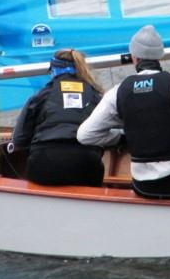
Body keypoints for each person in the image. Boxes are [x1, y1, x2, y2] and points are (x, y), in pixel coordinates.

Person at [77, 25, 170, 199]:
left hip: (143, 186)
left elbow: (85, 135)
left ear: (134, 57)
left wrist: (121, 138)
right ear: (159, 55)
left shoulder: (118, 91)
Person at [11, 49, 105, 187]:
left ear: (53, 70)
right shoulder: (96, 97)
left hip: (46, 161)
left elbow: (19, 139)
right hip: (87, 162)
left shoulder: (41, 96)